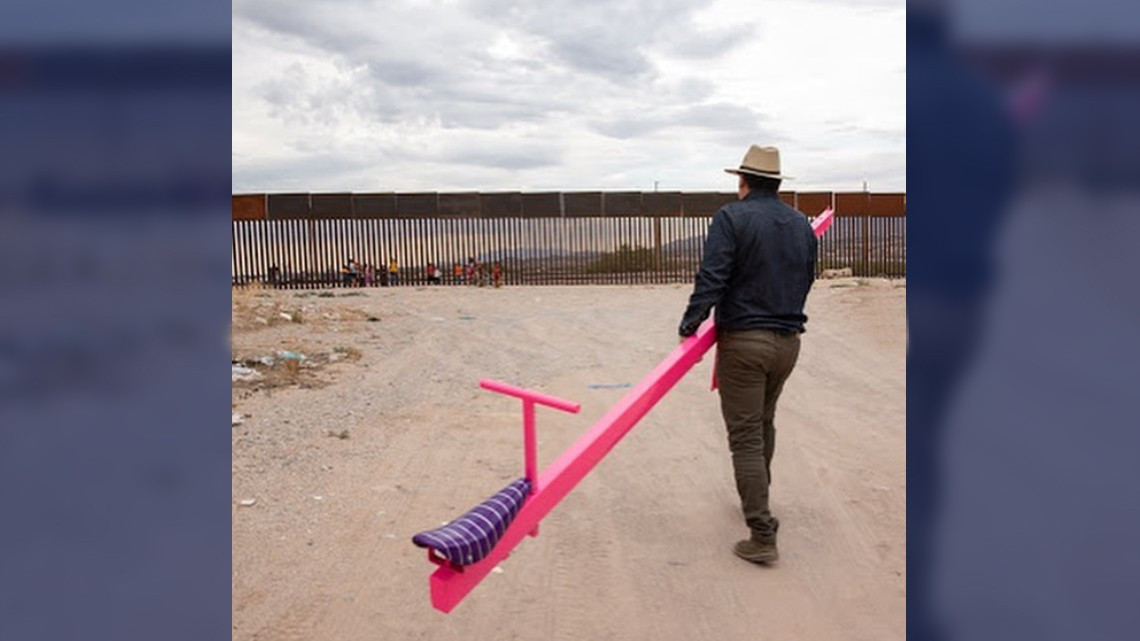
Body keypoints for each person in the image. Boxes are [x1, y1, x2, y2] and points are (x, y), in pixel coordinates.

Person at [677, 144, 817, 565]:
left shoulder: (731, 217)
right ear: (776, 182)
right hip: (788, 341)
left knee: (744, 437)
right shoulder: (800, 224)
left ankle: (762, 533)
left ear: (743, 181)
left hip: (745, 342)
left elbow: (713, 275)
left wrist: (691, 323)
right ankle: (757, 497)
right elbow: (807, 277)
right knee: (763, 422)